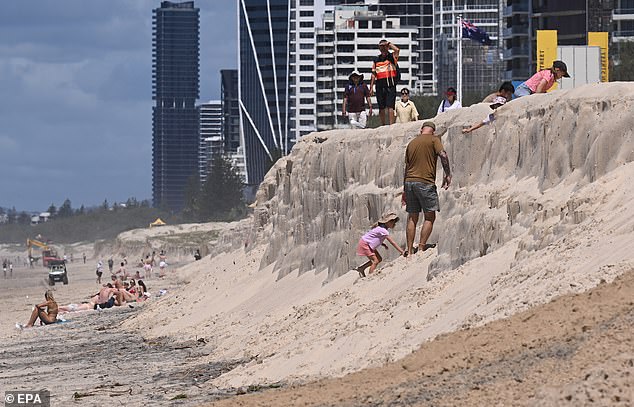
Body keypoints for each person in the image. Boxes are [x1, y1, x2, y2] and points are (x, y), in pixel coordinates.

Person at [402, 121, 451, 255]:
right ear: (433, 131)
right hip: (425, 182)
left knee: (412, 217)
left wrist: (404, 189)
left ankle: (410, 250)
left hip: (409, 182)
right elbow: (443, 155)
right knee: (429, 216)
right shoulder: (434, 140)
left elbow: (406, 168)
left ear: (421, 130)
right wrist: (447, 174)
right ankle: (421, 247)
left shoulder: (412, 143)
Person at [355, 213, 406, 277]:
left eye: (394, 222)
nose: (394, 223)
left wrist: (383, 244)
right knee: (375, 261)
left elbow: (374, 237)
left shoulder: (381, 229)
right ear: (387, 222)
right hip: (365, 244)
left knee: (379, 259)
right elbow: (392, 242)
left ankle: (362, 268)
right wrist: (402, 252)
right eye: (392, 221)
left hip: (367, 243)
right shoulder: (383, 231)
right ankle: (369, 277)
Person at [370, 39, 400, 126]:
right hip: (380, 85)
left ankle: (391, 125)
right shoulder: (376, 59)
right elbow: (373, 74)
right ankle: (383, 125)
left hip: (390, 84)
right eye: (381, 47)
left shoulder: (391, 57)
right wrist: (371, 87)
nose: (383, 48)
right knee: (381, 106)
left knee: (390, 106)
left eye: (384, 47)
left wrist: (388, 44)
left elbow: (397, 50)